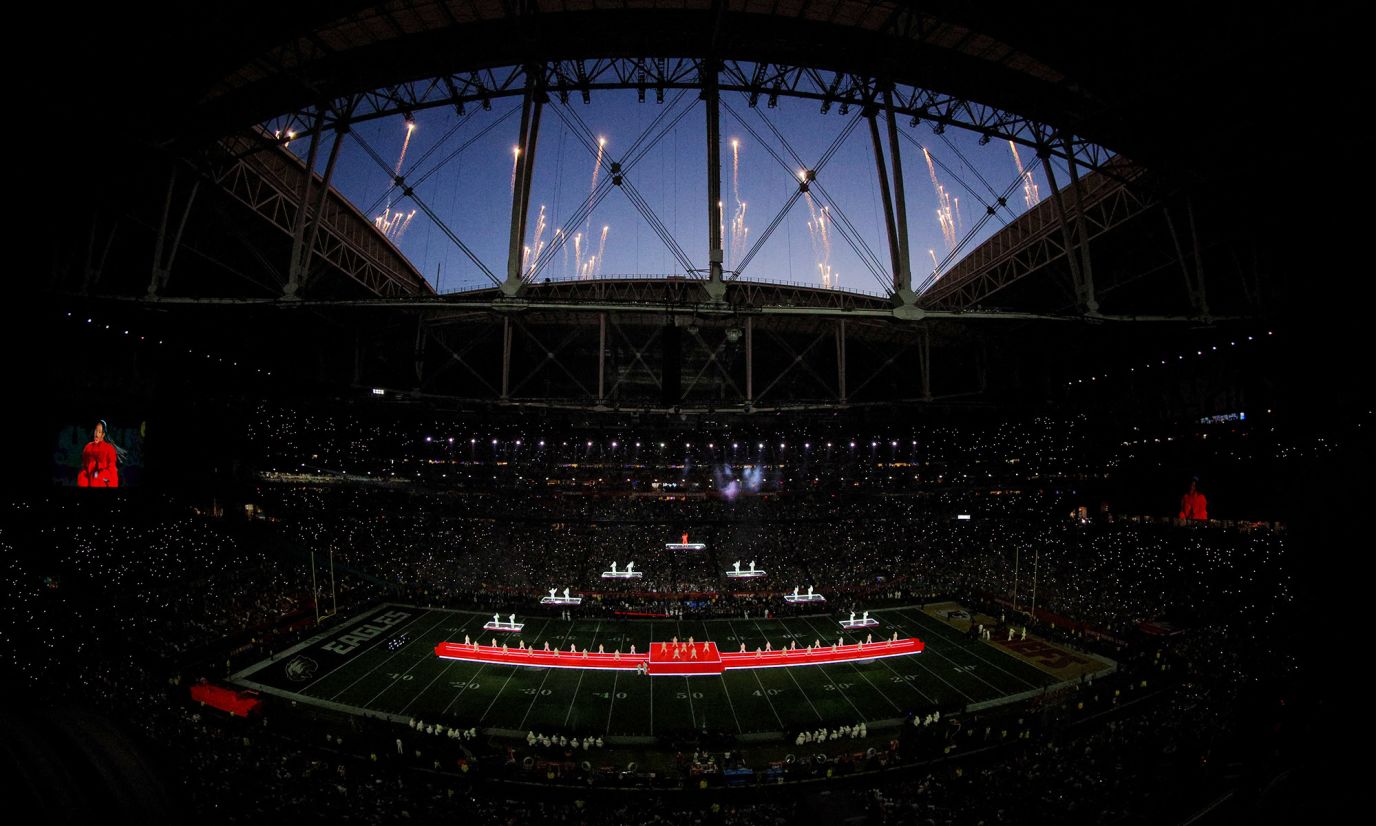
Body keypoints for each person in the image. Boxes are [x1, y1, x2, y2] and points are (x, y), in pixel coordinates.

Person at [77, 420, 121, 487]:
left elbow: (112, 473)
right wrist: (83, 481)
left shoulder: (109, 449)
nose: (96, 435)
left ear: (103, 434)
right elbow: (84, 469)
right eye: (95, 431)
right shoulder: (88, 448)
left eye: (99, 432)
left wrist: (100, 475)